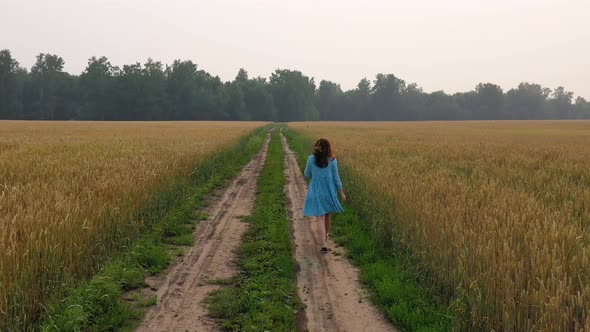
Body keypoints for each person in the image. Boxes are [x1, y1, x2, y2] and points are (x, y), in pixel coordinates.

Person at [303, 138, 346, 253]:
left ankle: (323, 245)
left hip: (316, 191)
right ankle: (325, 238)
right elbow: (336, 178)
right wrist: (341, 193)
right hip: (329, 191)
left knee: (320, 217)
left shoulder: (311, 159)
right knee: (327, 215)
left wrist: (315, 173)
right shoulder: (332, 160)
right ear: (328, 149)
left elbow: (306, 174)